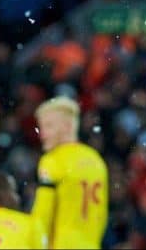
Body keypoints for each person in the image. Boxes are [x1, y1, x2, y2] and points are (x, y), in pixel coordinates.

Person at [32, 96, 108, 249]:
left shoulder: (52, 160)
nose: (43, 134)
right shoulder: (97, 160)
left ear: (67, 126)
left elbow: (42, 215)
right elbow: (102, 215)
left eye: (49, 126)